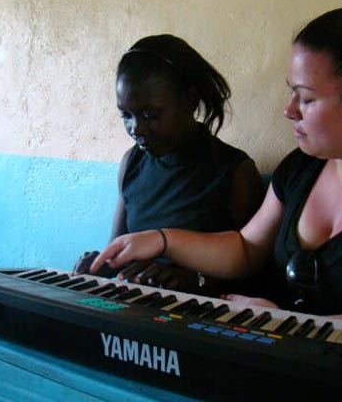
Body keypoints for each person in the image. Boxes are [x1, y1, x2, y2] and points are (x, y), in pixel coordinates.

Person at [89, 0, 342, 341]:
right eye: (291, 92)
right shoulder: (302, 166)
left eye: (307, 98)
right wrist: (161, 238)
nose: (289, 110)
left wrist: (283, 323)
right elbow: (246, 248)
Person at [75, 34, 266, 295]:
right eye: (126, 115)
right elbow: (118, 252)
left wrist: (192, 280)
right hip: (138, 313)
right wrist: (100, 265)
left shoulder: (235, 173)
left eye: (150, 114)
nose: (137, 128)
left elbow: (254, 279)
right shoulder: (132, 164)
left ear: (189, 100)